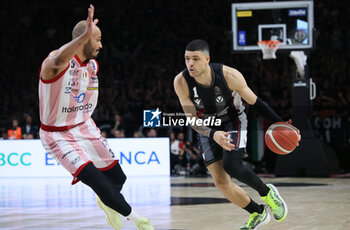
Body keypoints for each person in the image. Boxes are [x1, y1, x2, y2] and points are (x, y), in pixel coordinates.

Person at [38, 5, 153, 230]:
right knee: (99, 183)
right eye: (97, 39)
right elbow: (57, 59)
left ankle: (108, 202)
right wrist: (82, 37)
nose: (101, 45)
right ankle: (140, 220)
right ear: (83, 40)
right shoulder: (54, 64)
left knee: (118, 179)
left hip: (84, 127)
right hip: (57, 135)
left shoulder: (92, 65)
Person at [174, 39, 300, 229]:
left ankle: (267, 193)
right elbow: (192, 120)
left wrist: (280, 123)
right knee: (221, 183)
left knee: (231, 165)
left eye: (195, 59)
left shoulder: (229, 75)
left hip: (233, 119)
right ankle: (257, 213)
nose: (190, 63)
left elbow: (256, 103)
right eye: (187, 59)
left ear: (207, 59)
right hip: (207, 126)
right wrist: (213, 134)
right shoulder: (181, 82)